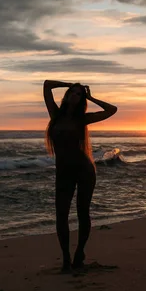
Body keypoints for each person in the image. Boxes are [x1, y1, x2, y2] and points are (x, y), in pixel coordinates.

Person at [43, 80, 118, 272]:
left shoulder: (82, 119)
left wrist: (90, 96)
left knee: (82, 213)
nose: (76, 96)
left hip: (84, 170)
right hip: (63, 172)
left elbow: (112, 109)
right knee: (61, 215)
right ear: (67, 95)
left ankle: (79, 254)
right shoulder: (55, 115)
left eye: (79, 94)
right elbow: (47, 85)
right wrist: (71, 84)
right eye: (73, 93)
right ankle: (66, 258)